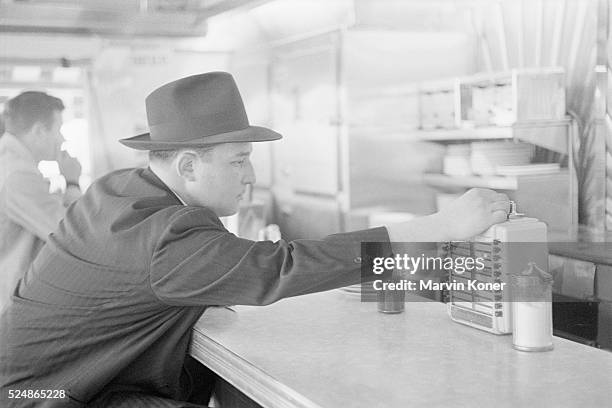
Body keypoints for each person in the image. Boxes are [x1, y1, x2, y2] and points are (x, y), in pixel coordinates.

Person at [0, 72, 509, 407]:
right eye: (238, 160)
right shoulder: (167, 234)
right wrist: (439, 226)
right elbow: (280, 268)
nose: (249, 176)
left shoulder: (116, 188)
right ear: (187, 165)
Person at [0, 91, 82, 313]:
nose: (62, 139)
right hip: (12, 305)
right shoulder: (18, 175)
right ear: (38, 131)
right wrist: (72, 181)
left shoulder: (11, 165)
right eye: (58, 129)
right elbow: (70, 234)